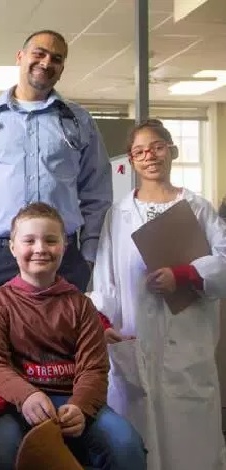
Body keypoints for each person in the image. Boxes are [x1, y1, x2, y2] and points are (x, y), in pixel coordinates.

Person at [89, 119, 226, 470]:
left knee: (190, 435)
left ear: (171, 150)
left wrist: (185, 274)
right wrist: (104, 321)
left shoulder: (198, 208)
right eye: (139, 151)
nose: (149, 156)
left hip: (187, 339)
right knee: (137, 435)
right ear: (131, 161)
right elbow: (105, 278)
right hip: (135, 340)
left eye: (157, 147)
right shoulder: (117, 215)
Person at [0, 202, 146, 470]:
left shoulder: (81, 305)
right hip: (20, 404)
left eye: (51, 240)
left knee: (126, 445)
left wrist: (80, 406)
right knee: (0, 446)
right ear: (13, 247)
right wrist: (27, 396)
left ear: (64, 247)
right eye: (29, 240)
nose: (40, 249)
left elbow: (94, 367)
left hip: (75, 402)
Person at [0, 29, 112, 317]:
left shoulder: (78, 121)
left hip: (62, 257)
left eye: (56, 58)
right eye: (39, 53)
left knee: (60, 354)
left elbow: (96, 190)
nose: (47, 62)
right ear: (20, 57)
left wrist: (88, 255)